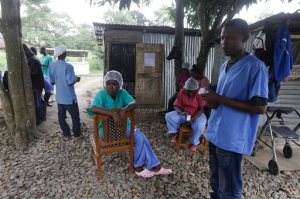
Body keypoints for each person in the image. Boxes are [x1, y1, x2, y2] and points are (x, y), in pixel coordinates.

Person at [202, 19, 268, 199]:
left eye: (229, 37)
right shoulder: (225, 66)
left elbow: (260, 108)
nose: (224, 42)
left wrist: (219, 98)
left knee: (229, 189)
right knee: (215, 182)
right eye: (222, 38)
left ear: (245, 38)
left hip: (232, 138)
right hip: (216, 133)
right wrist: (212, 101)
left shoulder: (255, 67)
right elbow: (224, 98)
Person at [89, 70, 172, 178]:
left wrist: (124, 109)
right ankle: (138, 167)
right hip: (107, 132)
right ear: (105, 84)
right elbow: (93, 108)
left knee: (142, 137)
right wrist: (112, 113)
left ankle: (154, 166)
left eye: (114, 84)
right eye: (108, 84)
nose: (111, 86)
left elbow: (133, 102)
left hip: (123, 128)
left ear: (120, 85)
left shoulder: (122, 93)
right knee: (140, 138)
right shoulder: (102, 94)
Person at [165, 77, 207, 152]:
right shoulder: (182, 92)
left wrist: (192, 118)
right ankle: (177, 134)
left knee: (200, 124)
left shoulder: (199, 94)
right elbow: (176, 105)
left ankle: (194, 142)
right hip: (185, 114)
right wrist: (181, 112)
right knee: (169, 116)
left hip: (197, 115)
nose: (190, 94)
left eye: (192, 92)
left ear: (196, 90)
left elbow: (200, 109)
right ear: (185, 89)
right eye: (189, 91)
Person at [49, 45, 81, 139]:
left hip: (59, 98)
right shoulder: (68, 67)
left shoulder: (52, 66)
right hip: (69, 98)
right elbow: (70, 81)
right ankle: (77, 134)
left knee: (61, 117)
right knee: (75, 117)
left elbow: (52, 81)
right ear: (63, 54)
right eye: (66, 52)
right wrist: (77, 79)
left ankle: (66, 134)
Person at [23, 44, 45, 124]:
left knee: (37, 102)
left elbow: (34, 72)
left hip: (36, 85)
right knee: (38, 101)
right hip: (36, 84)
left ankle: (39, 119)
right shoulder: (31, 58)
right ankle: (41, 117)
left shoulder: (32, 60)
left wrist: (25, 73)